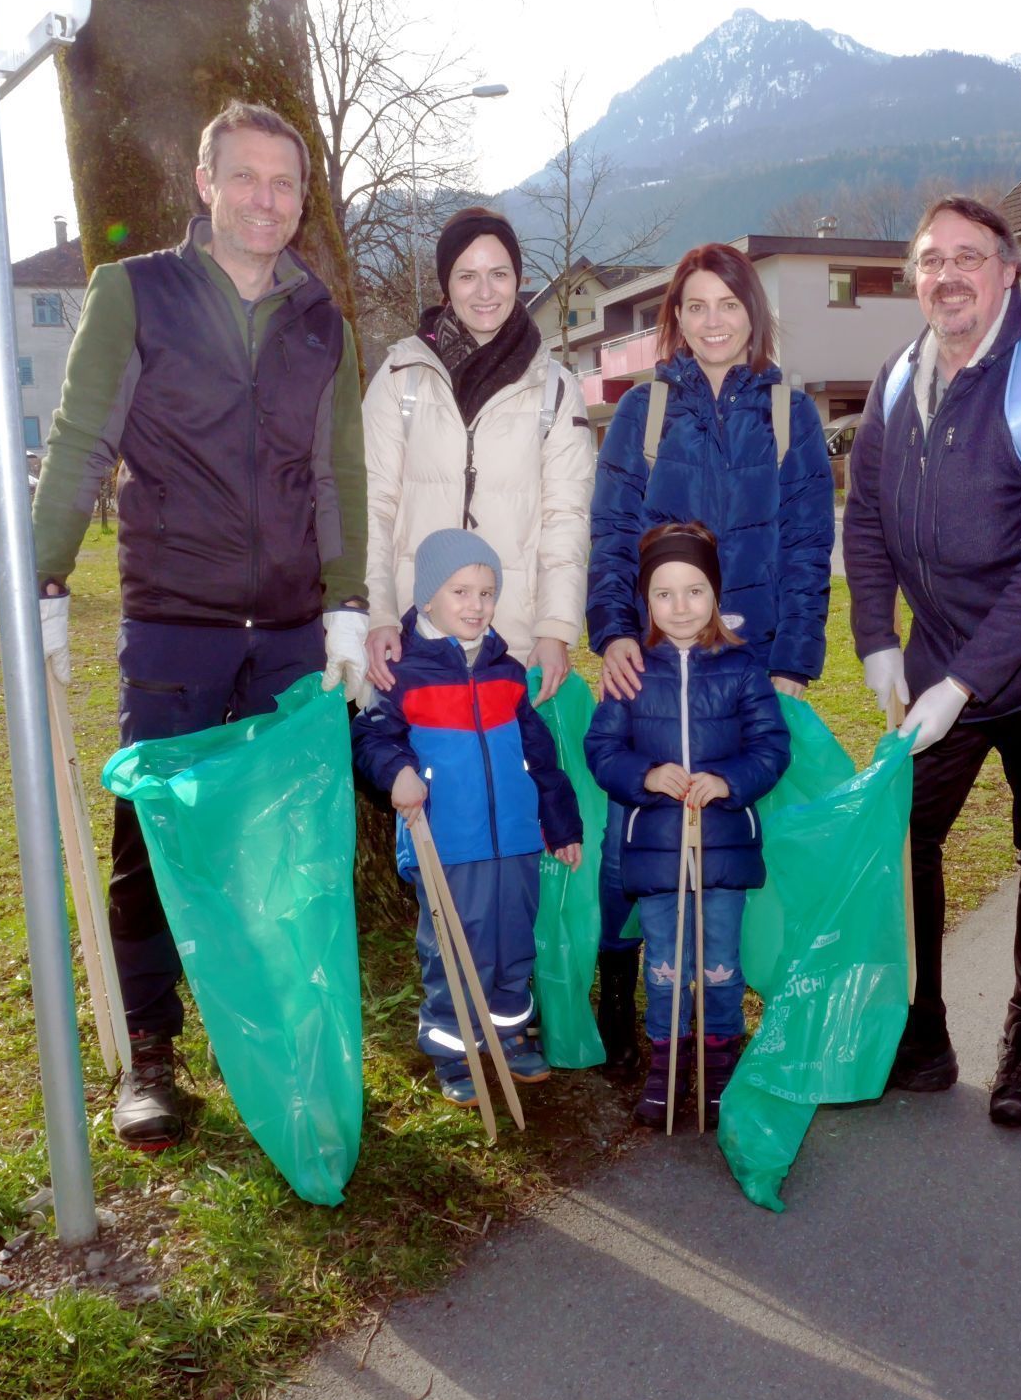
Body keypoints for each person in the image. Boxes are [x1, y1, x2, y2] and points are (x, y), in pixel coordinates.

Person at [30, 101, 368, 1151]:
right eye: (247, 178)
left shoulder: (323, 321)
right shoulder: (134, 295)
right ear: (205, 184)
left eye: (285, 183)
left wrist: (348, 600)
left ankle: (268, 1039)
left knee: (274, 846)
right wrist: (42, 577)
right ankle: (150, 1053)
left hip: (288, 634)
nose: (266, 200)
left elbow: (336, 471)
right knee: (153, 837)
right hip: (175, 621)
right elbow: (82, 438)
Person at [842, 195, 1021, 1128]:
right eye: (929, 260)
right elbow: (866, 517)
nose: (947, 275)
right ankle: (923, 1033)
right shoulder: (897, 377)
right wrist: (878, 639)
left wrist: (964, 684)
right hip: (938, 654)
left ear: (1009, 271)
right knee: (904, 834)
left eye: (968, 257)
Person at [587, 243, 833, 1080]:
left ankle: (722, 1018)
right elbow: (613, 531)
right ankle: (633, 1006)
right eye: (695, 305)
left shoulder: (789, 412)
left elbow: (807, 542)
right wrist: (615, 629)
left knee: (733, 837)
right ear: (676, 318)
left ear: (751, 311)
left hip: (748, 669)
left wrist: (795, 657)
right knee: (640, 841)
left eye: (727, 303)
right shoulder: (644, 413)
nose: (712, 320)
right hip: (654, 664)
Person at [350, 529, 584, 1105]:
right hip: (448, 843)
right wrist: (397, 772)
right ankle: (454, 1050)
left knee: (513, 941)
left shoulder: (506, 671)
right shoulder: (403, 671)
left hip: (516, 840)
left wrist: (561, 823)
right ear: (427, 597)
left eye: (486, 592)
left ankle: (508, 1034)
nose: (475, 606)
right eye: (460, 592)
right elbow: (371, 736)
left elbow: (540, 753)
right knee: (456, 948)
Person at [584, 522, 791, 1128]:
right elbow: (602, 749)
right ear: (646, 602)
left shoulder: (741, 668)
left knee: (719, 961)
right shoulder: (630, 672)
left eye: (694, 591)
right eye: (664, 593)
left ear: (716, 596)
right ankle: (666, 1061)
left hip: (724, 848)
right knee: (667, 962)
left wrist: (727, 781)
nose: (680, 607)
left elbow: (770, 746)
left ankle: (722, 1058)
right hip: (654, 852)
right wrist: (646, 776)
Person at [362, 207, 595, 706]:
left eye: (499, 274)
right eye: (467, 275)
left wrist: (554, 628)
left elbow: (565, 520)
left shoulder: (555, 390)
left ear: (518, 278)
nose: (485, 291)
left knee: (506, 777)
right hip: (413, 635)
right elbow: (371, 507)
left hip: (511, 641)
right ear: (447, 284)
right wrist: (379, 613)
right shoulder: (401, 377)